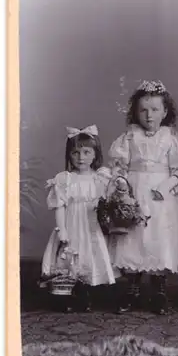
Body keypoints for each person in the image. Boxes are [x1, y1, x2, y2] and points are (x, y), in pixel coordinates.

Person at [108, 80, 178, 314]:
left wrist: (167, 186)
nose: (149, 115)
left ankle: (158, 290)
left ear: (165, 111)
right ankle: (132, 288)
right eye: (143, 110)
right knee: (132, 237)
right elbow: (118, 166)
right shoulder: (129, 137)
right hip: (134, 190)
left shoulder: (170, 138)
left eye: (154, 110)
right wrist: (121, 183)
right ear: (135, 112)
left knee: (158, 237)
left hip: (160, 195)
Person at [41, 125, 115, 311]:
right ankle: (71, 294)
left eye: (86, 152)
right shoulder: (65, 179)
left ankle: (89, 292)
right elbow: (60, 206)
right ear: (69, 155)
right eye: (75, 153)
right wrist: (62, 230)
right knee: (70, 258)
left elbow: (108, 202)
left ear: (95, 154)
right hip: (72, 222)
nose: (81, 157)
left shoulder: (100, 178)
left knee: (92, 254)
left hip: (92, 223)